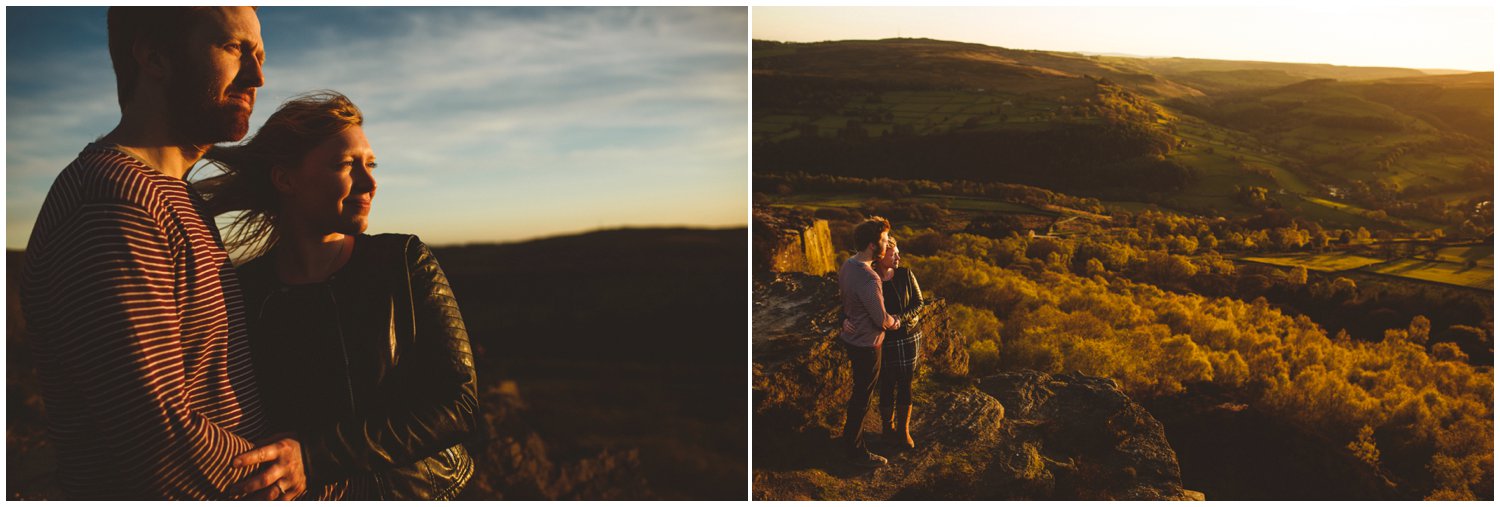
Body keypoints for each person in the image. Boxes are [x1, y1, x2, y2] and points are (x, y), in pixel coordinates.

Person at [18, 7, 307, 500]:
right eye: (235, 48)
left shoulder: (174, 194)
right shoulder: (110, 201)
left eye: (259, 55)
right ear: (155, 56)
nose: (258, 76)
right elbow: (156, 442)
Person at [196, 91, 479, 500]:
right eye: (346, 165)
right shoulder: (249, 291)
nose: (370, 182)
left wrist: (315, 458)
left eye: (370, 164)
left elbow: (459, 404)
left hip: (418, 494)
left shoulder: (401, 261)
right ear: (285, 179)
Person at [836, 216, 901, 467]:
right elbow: (880, 319)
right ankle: (855, 451)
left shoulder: (848, 265)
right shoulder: (868, 277)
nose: (887, 243)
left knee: (858, 394)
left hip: (851, 338)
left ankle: (849, 440)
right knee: (862, 397)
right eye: (884, 239)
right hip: (867, 345)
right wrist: (896, 322)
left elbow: (845, 300)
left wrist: (844, 317)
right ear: (873, 246)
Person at [875, 239, 924, 450]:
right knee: (886, 383)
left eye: (898, 253)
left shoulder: (905, 274)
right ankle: (888, 429)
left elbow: (919, 303)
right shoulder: (871, 279)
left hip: (908, 336)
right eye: (893, 254)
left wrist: (899, 319)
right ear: (880, 256)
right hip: (884, 339)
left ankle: (904, 431)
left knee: (905, 382)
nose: (898, 257)